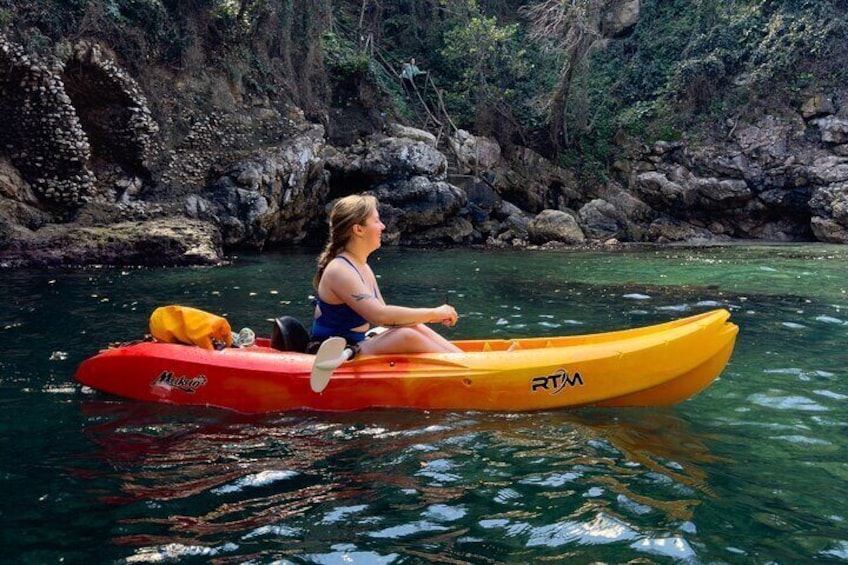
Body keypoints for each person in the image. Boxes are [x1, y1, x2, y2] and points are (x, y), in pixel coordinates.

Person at [310, 194, 462, 355]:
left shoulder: (362, 266)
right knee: (406, 335)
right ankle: (466, 368)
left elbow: (390, 320)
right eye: (376, 221)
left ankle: (463, 359)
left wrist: (428, 317)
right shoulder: (340, 270)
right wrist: (434, 314)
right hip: (331, 353)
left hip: (354, 344)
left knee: (412, 325)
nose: (382, 226)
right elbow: (380, 316)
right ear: (358, 230)